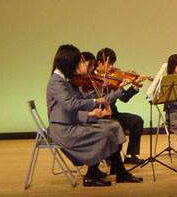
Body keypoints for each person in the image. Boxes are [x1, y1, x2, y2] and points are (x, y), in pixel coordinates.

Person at [46, 44, 142, 186]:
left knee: (113, 126)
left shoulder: (64, 80)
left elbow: (79, 103)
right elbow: (70, 104)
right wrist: (95, 103)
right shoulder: (56, 82)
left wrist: (105, 98)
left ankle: (120, 172)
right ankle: (91, 175)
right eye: (76, 62)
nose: (78, 66)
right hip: (63, 129)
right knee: (103, 133)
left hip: (73, 123)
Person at [95, 48, 146, 164]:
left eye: (112, 64)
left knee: (136, 121)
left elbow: (124, 98)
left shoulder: (112, 78)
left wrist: (135, 86)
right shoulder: (93, 79)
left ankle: (131, 155)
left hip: (113, 113)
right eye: (109, 64)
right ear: (99, 63)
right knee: (115, 126)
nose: (111, 67)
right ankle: (110, 157)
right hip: (100, 116)